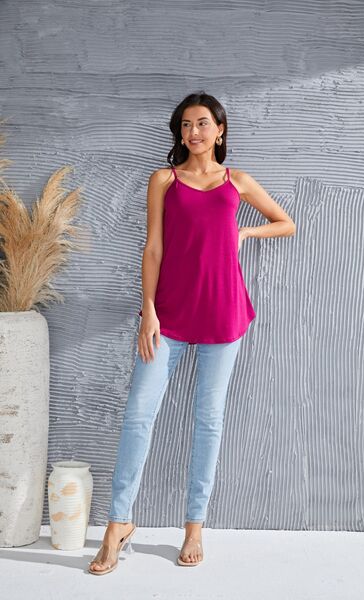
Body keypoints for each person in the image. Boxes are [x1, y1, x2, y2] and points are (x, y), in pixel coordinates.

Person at [88, 91, 296, 575]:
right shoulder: (164, 180)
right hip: (169, 317)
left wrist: (244, 233)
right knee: (138, 415)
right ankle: (118, 524)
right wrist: (148, 310)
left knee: (209, 419)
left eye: (202, 123)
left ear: (220, 130)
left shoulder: (237, 181)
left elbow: (286, 223)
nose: (193, 132)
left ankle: (195, 526)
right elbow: (153, 249)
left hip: (223, 314)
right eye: (185, 125)